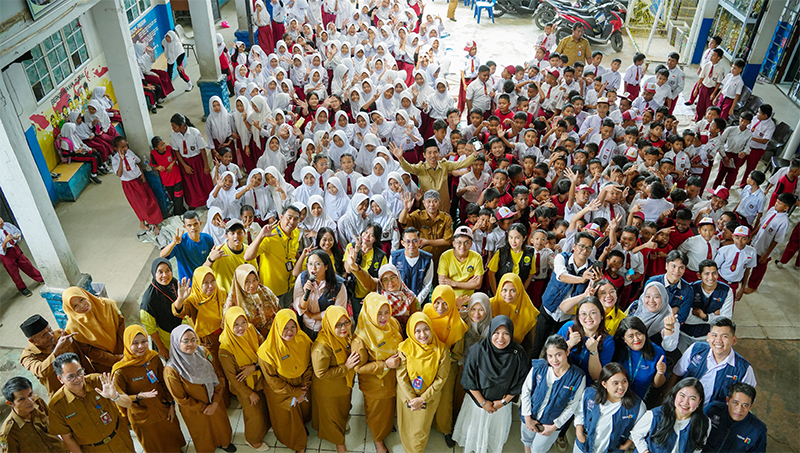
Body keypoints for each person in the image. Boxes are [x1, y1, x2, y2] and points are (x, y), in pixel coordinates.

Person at [453, 316, 530, 453]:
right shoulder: (477, 350)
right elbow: (468, 379)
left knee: (494, 430)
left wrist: (503, 402)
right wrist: (483, 403)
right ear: (490, 332)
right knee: (475, 430)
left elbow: (521, 381)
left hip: (500, 406)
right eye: (496, 333)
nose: (501, 338)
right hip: (478, 403)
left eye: (506, 333)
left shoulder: (518, 353)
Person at [111, 325, 186, 453]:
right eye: (135, 343)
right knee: (153, 444)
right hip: (142, 416)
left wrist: (171, 405)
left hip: (162, 408)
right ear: (127, 344)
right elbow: (119, 398)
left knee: (172, 439)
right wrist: (138, 396)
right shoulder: (120, 370)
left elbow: (163, 382)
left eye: (144, 341)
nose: (141, 346)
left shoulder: (153, 357)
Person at [163, 326, 235, 453]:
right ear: (176, 342)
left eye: (193, 339)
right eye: (185, 341)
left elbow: (218, 375)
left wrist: (215, 402)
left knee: (221, 425)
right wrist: (203, 407)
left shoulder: (203, 353)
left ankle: (224, 443)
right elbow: (181, 399)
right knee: (202, 432)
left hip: (215, 400)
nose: (191, 344)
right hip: (194, 410)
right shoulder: (172, 370)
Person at [48, 353, 136, 452]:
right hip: (93, 449)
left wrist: (115, 397)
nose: (78, 378)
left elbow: (128, 403)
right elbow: (67, 438)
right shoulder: (57, 406)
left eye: (80, 372)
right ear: (60, 379)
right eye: (71, 377)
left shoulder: (98, 381)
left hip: (120, 439)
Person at [532, 231, 599, 359]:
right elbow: (562, 276)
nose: (584, 250)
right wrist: (582, 279)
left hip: (567, 317)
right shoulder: (561, 258)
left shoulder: (592, 268)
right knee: (538, 345)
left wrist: (595, 281)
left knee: (559, 348)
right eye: (581, 246)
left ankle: (550, 368)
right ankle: (533, 368)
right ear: (574, 246)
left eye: (588, 248)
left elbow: (589, 293)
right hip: (549, 309)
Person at [352, 293, 403, 453]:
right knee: (377, 413)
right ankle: (378, 439)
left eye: (386, 312)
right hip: (376, 385)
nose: (383, 317)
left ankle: (386, 426)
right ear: (370, 312)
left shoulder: (392, 323)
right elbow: (358, 368)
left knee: (388, 408)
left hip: (392, 378)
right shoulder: (361, 338)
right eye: (379, 313)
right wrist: (385, 364)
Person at [256, 309, 313, 452]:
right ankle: (297, 444)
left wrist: (304, 386)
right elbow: (272, 381)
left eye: (293, 326)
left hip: (301, 383)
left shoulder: (303, 339)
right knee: (288, 419)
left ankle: (302, 426)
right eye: (285, 327)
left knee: (302, 410)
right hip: (281, 392)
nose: (290, 331)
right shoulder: (266, 352)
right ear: (277, 327)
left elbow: (309, 364)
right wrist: (295, 392)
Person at [520, 335, 586, 453]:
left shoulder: (578, 377)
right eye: (550, 356)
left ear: (567, 352)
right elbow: (526, 391)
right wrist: (527, 417)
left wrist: (554, 426)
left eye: (558, 354)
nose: (554, 360)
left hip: (550, 423)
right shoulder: (539, 367)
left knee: (539, 449)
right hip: (529, 415)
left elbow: (572, 405)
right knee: (526, 440)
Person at [172, 266, 227, 407]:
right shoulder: (193, 300)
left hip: (224, 335)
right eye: (205, 282)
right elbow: (178, 311)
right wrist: (180, 299)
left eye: (212, 281)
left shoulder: (220, 292)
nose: (210, 286)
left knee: (228, 364)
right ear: (197, 284)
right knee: (216, 368)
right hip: (208, 340)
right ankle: (222, 399)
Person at [396, 312, 450, 453]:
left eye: (426, 329)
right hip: (407, 396)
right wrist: (412, 398)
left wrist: (422, 399)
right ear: (411, 332)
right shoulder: (404, 348)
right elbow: (401, 377)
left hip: (428, 398)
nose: (423, 334)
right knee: (406, 424)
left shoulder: (442, 350)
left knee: (420, 429)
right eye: (417, 331)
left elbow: (441, 378)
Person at [218, 308, 270, 451]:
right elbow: (232, 378)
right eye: (236, 324)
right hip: (244, 387)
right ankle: (253, 439)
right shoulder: (225, 349)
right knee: (254, 414)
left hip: (259, 377)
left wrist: (254, 367)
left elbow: (264, 348)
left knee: (264, 407)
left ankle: (264, 429)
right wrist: (249, 393)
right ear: (228, 325)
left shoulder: (251, 330)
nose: (241, 327)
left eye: (243, 322)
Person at [671, 318, 757, 404]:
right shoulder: (696, 349)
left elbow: (747, 399)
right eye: (714, 335)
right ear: (708, 337)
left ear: (734, 340)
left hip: (715, 411)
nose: (718, 340)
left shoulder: (744, 369)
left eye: (724, 336)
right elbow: (677, 373)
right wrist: (666, 397)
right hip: (685, 406)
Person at [423, 285, 468, 447]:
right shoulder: (426, 313)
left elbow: (457, 353)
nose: (440, 308)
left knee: (445, 400)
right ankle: (424, 426)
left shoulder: (457, 324)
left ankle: (445, 429)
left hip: (447, 367)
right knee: (425, 396)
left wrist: (442, 360)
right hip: (425, 365)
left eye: (445, 303)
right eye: (437, 302)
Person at [311, 306, 359, 453]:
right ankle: (338, 441)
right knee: (331, 415)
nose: (343, 328)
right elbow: (321, 373)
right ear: (330, 324)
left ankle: (341, 425)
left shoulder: (345, 336)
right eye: (338, 324)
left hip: (343, 384)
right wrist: (346, 367)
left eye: (346, 323)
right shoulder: (322, 346)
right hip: (329, 389)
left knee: (342, 408)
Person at [574, 363, 646, 453]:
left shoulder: (637, 406)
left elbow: (639, 429)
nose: (621, 387)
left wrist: (627, 445)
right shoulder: (589, 394)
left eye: (624, 381)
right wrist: (579, 433)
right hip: (584, 447)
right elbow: (580, 412)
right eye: (615, 383)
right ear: (604, 384)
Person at [19, 314, 95, 397]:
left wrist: (93, 377)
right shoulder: (28, 356)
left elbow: (80, 357)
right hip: (62, 395)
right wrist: (57, 351)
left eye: (50, 330)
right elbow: (41, 371)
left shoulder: (60, 334)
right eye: (44, 335)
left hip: (84, 382)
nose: (51, 335)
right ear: (32, 341)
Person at [392, 139, 477, 213]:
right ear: (424, 155)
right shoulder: (420, 168)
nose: (433, 155)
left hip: (443, 207)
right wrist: (400, 158)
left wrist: (474, 155)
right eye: (429, 153)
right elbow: (408, 168)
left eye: (435, 152)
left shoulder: (445, 165)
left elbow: (461, 164)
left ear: (439, 153)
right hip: (427, 209)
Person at [630, 378, 710, 453]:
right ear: (675, 395)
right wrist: (645, 451)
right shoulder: (655, 415)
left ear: (699, 402)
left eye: (692, 398)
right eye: (682, 396)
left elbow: (698, 448)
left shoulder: (704, 423)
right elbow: (636, 434)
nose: (685, 402)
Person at [244, 205, 302, 308]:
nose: (292, 222)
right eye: (289, 217)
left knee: (285, 313)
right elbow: (247, 256)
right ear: (281, 217)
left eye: (295, 219)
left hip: (289, 285)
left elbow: (294, 251)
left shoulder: (296, 232)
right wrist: (261, 236)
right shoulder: (269, 236)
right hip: (272, 290)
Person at [61, 287, 124, 373]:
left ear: (86, 295)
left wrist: (122, 353)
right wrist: (115, 359)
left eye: (81, 300)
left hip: (124, 350)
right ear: (70, 309)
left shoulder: (108, 305)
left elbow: (121, 327)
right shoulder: (72, 328)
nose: (82, 306)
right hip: (104, 364)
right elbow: (90, 351)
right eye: (75, 306)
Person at [111, 137, 163, 234]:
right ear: (116, 148)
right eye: (122, 147)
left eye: (126, 146)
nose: (125, 148)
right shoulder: (115, 160)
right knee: (139, 205)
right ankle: (151, 224)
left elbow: (137, 163)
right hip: (129, 184)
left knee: (149, 201)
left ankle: (152, 221)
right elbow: (119, 174)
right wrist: (121, 160)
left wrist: (142, 175)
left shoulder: (130, 153)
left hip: (139, 180)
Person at [0, 376, 67, 452]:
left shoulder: (38, 402)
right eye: (22, 399)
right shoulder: (9, 433)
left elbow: (55, 422)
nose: (30, 401)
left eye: (30, 394)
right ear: (10, 403)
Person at [558, 297, 616, 383]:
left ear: (602, 316)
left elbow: (596, 377)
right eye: (583, 314)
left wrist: (594, 352)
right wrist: (569, 344)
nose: (588, 317)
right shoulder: (568, 327)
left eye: (593, 313)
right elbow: (551, 355)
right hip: (561, 377)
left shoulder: (608, 342)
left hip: (586, 385)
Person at [294, 250, 348, 338]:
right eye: (310, 264)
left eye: (317, 264)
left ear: (326, 266)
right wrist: (306, 294)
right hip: (305, 324)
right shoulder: (302, 278)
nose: (313, 268)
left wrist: (313, 316)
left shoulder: (338, 284)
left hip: (326, 327)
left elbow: (338, 310)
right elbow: (300, 307)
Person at [613, 316, 668, 400]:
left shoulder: (657, 352)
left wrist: (660, 372)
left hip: (637, 399)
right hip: (614, 395)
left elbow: (657, 385)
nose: (636, 339)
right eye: (630, 336)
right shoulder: (616, 348)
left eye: (639, 334)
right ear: (623, 338)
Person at [703, 382, 767, 453]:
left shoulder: (757, 430)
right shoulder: (712, 410)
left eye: (745, 405)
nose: (739, 410)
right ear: (727, 401)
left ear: (750, 407)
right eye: (735, 403)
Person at [226, 263, 281, 338]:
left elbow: (278, 311)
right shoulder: (232, 303)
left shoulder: (265, 292)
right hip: (250, 339)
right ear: (239, 282)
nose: (252, 285)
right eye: (247, 281)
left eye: (255, 280)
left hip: (272, 335)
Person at [170, 114, 214, 209]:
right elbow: (176, 151)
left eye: (174, 126)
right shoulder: (173, 135)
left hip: (197, 160)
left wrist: (206, 165)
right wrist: (184, 165)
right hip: (185, 161)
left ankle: (209, 201)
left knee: (203, 181)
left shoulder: (194, 132)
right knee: (190, 184)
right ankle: (193, 203)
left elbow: (202, 149)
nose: (173, 128)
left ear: (182, 125)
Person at [627, 281, 681, 352]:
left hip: (650, 356)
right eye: (648, 296)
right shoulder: (636, 307)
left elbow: (669, 347)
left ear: (664, 298)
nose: (651, 301)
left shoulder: (670, 320)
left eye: (656, 297)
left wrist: (668, 328)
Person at [490, 273, 539, 350]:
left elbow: (530, 344)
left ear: (519, 290)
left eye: (513, 290)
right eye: (504, 290)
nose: (508, 294)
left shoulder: (529, 310)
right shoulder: (490, 305)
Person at [0, 216, 43, 297]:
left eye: (0, 219)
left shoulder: (7, 225)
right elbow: (1, 249)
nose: (1, 221)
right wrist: (5, 242)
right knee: (14, 272)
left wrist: (16, 237)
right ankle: (22, 288)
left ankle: (39, 278)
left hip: (15, 248)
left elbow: (16, 231)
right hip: (6, 255)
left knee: (26, 264)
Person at [437, 226, 484, 298]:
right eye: (459, 242)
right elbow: (442, 284)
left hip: (469, 298)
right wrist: (467, 284)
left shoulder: (477, 257)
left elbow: (477, 285)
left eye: (466, 243)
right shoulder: (445, 256)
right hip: (449, 298)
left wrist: (453, 283)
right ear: (454, 244)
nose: (462, 246)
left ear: (471, 244)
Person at [391, 227, 435, 303]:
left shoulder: (427, 260)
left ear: (420, 242)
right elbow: (392, 282)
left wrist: (416, 302)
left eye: (415, 241)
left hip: (420, 302)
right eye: (408, 241)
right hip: (399, 302)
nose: (411, 244)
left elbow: (427, 285)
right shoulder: (394, 258)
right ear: (402, 243)